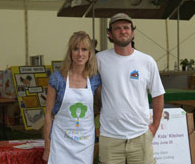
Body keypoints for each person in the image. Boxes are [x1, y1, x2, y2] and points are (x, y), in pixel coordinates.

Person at [96, 13, 165, 164]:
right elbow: (85, 87)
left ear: (133, 33)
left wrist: (154, 127)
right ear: (110, 34)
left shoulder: (147, 61)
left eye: (126, 28)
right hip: (110, 136)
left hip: (140, 135)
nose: (123, 31)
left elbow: (158, 95)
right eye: (117, 28)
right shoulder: (99, 59)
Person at [42, 31, 101, 164]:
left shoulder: (94, 78)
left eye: (84, 49)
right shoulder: (57, 78)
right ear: (70, 52)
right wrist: (47, 144)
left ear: (90, 53)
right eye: (76, 49)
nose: (80, 54)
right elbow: (48, 114)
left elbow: (108, 102)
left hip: (85, 142)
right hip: (61, 141)